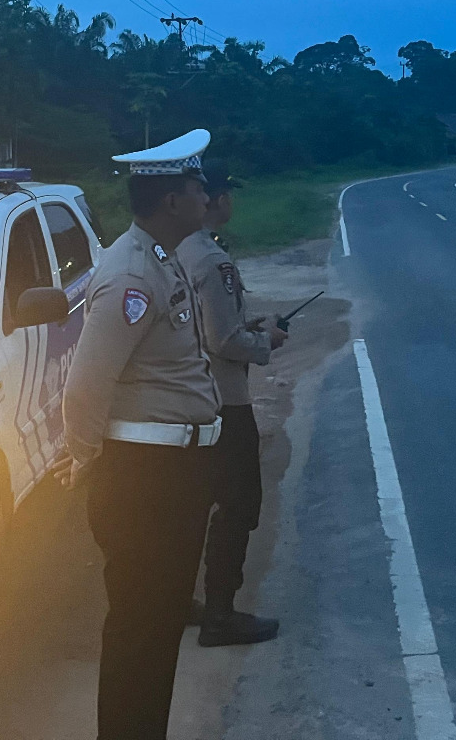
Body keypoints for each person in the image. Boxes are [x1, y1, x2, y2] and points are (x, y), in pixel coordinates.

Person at [57, 128, 222, 740]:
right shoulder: (129, 273)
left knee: (158, 624)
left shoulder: (161, 255)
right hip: (144, 478)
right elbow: (85, 387)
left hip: (171, 474)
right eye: (198, 186)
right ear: (173, 200)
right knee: (140, 626)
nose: (208, 196)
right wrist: (89, 462)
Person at [177, 167, 285, 646]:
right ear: (215, 200)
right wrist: (267, 339)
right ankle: (221, 613)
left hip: (185, 399)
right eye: (221, 195)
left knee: (189, 506)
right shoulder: (210, 258)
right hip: (224, 402)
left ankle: (178, 601)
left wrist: (250, 325)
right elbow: (224, 339)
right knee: (238, 506)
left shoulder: (173, 251)